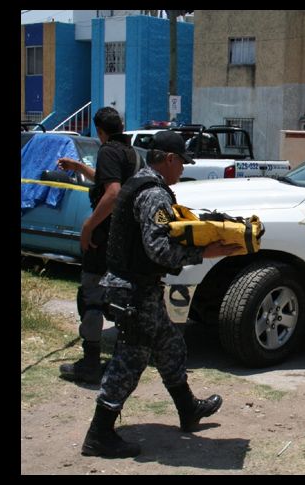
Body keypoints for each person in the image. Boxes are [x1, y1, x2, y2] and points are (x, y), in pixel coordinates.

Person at [80, 130, 240, 458]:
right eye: (182, 162)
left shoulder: (142, 181)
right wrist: (207, 252)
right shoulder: (154, 194)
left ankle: (187, 407)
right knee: (131, 359)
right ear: (169, 159)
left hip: (137, 288)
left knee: (169, 345)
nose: (183, 169)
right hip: (133, 291)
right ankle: (99, 434)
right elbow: (160, 251)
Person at [57, 106, 142, 384]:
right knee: (119, 300)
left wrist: (88, 225)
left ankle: (90, 364)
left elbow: (113, 193)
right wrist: (80, 167)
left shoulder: (108, 151)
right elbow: (111, 181)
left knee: (91, 298)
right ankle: (121, 363)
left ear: (100, 131)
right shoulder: (132, 153)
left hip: (103, 238)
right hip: (125, 241)